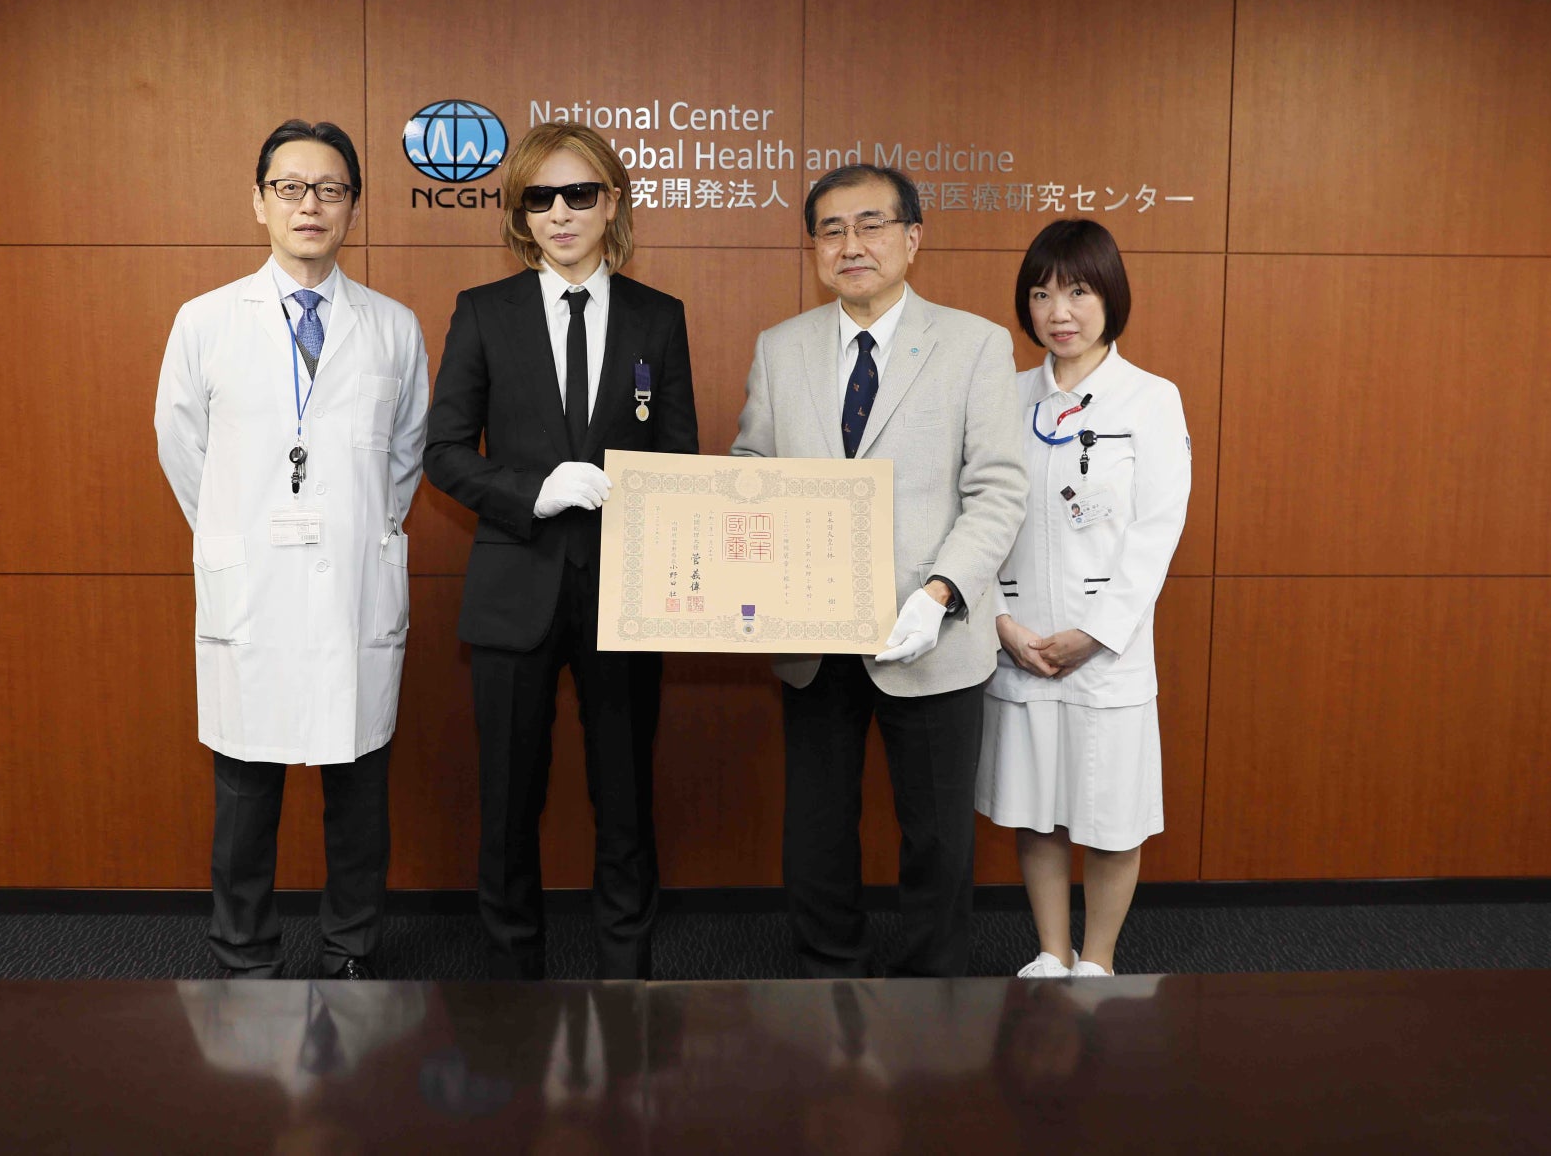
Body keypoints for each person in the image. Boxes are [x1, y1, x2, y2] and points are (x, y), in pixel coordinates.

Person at [732, 164, 1027, 978]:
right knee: (818, 829)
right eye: (831, 230)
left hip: (931, 632)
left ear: (912, 237)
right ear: (814, 248)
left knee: (936, 835)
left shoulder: (975, 344)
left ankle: (932, 992)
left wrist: (940, 594)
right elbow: (752, 467)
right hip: (813, 632)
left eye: (871, 224)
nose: (851, 244)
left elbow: (999, 488)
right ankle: (829, 978)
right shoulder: (781, 347)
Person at [155, 119, 429, 979]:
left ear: (354, 207)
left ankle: (352, 952)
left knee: (359, 792)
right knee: (245, 794)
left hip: (353, 587)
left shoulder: (393, 327)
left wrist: (355, 527)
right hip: (254, 591)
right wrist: (234, 533)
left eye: (330, 189)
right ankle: (244, 956)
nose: (310, 205)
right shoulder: (205, 322)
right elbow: (182, 448)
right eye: (290, 187)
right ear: (259, 201)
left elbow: (406, 456)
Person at [424, 122, 698, 980]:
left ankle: (627, 980)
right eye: (540, 198)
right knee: (509, 801)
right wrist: (530, 492)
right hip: (515, 589)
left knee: (625, 800)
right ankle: (512, 982)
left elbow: (680, 457)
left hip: (628, 597)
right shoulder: (483, 311)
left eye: (579, 193)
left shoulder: (659, 317)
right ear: (521, 214)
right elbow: (443, 452)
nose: (561, 213)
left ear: (612, 202)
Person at [978, 218, 1191, 979]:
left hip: (1107, 651)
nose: (1058, 312)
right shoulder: (1002, 397)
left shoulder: (1150, 399)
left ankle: (1096, 960)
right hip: (1021, 643)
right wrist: (1002, 625)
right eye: (1041, 295)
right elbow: (974, 518)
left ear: (1110, 296)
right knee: (1036, 810)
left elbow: (1157, 530)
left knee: (1110, 815)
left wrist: (1095, 633)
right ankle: (1050, 951)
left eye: (1076, 291)